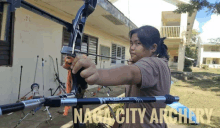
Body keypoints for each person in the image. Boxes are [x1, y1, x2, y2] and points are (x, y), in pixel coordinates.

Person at [63, 25, 171, 128]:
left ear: (153, 47)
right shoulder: (149, 65)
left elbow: (130, 73)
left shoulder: (154, 64)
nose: (132, 48)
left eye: (138, 43)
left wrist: (96, 74)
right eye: (131, 43)